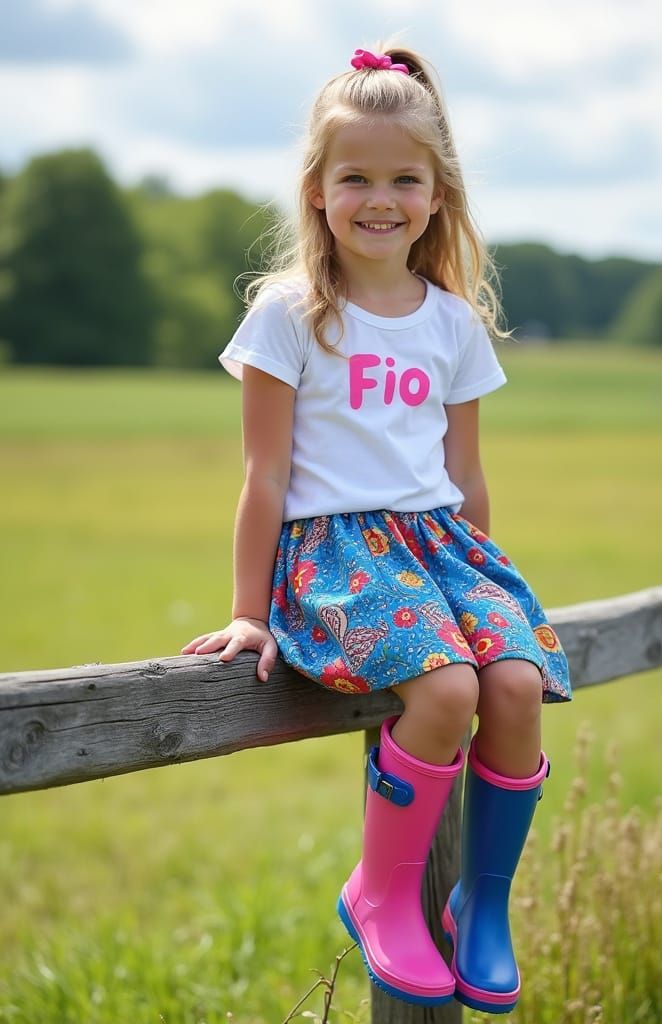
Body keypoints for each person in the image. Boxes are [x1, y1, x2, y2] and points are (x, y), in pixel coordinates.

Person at [181, 43, 572, 1013]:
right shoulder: (291, 315)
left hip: (441, 546)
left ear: (439, 195)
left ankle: (483, 904)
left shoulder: (451, 324)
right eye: (356, 176)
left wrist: (486, 588)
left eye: (406, 177)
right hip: (337, 553)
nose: (380, 198)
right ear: (317, 190)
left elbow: (466, 473)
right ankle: (384, 890)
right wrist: (249, 611)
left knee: (515, 680)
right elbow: (264, 475)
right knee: (443, 690)